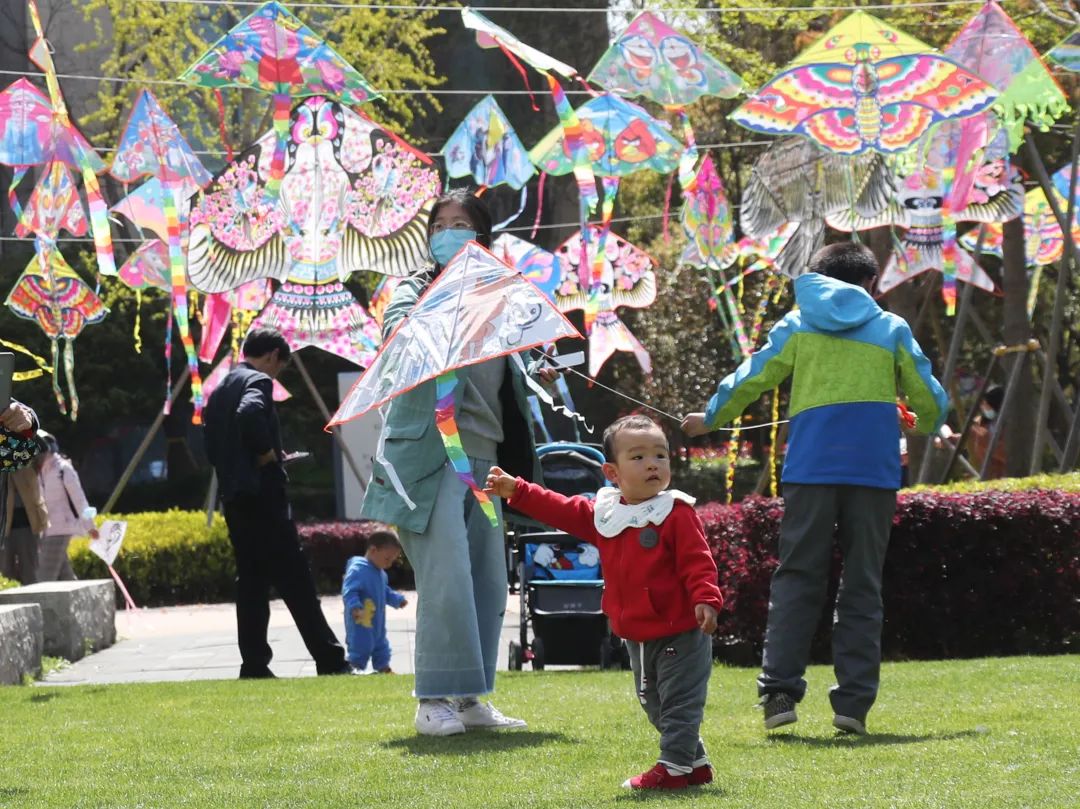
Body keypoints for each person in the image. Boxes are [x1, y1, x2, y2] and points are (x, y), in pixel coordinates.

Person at [683, 242, 949, 736]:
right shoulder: (891, 329)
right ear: (871, 284)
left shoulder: (797, 324)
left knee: (797, 577)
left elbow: (753, 375)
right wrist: (930, 422)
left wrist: (712, 417)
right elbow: (926, 392)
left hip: (809, 471)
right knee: (862, 583)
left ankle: (779, 692)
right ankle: (853, 706)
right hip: (873, 472)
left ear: (821, 278)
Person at [361, 188, 556, 736]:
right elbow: (395, 335)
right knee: (446, 577)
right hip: (430, 455)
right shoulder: (414, 290)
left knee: (487, 582)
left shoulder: (503, 299)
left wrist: (537, 370)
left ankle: (471, 698)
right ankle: (433, 700)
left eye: (461, 223)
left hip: (487, 459)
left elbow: (516, 375)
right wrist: (441, 304)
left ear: (482, 237)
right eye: (441, 224)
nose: (449, 232)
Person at [486, 415, 724, 790]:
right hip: (637, 632)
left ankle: (673, 767)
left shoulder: (675, 512)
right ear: (612, 472)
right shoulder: (607, 514)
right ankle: (694, 763)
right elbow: (561, 509)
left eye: (661, 455)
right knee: (653, 702)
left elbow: (698, 561)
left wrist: (706, 599)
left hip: (680, 629)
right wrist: (517, 490)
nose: (652, 464)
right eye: (639, 456)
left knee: (679, 702)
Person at [203, 327, 351, 679]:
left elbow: (213, 438)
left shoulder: (220, 386)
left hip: (236, 498)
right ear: (272, 355)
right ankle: (330, 660)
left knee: (252, 584)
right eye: (279, 367)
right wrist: (267, 452)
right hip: (264, 500)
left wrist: (238, 462)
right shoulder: (258, 382)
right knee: (296, 580)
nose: (276, 374)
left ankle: (254, 664)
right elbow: (250, 414)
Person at [342, 529, 408, 674]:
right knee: (361, 644)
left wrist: (397, 599)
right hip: (361, 619)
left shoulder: (380, 572)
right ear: (373, 550)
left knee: (381, 644)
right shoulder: (358, 569)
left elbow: (384, 591)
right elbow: (349, 590)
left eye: (392, 560)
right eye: (387, 559)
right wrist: (355, 607)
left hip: (377, 620)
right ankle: (355, 666)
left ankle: (383, 667)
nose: (389, 564)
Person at [35, 432, 98, 581]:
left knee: (44, 577)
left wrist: (91, 526)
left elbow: (80, 500)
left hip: (62, 528)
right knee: (66, 577)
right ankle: (83, 603)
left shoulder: (63, 470)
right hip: (46, 531)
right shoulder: (37, 472)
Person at [0, 402, 47, 584]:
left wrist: (27, 423)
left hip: (28, 523)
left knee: (30, 574)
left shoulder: (27, 453)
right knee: (6, 575)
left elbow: (41, 444)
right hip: (4, 527)